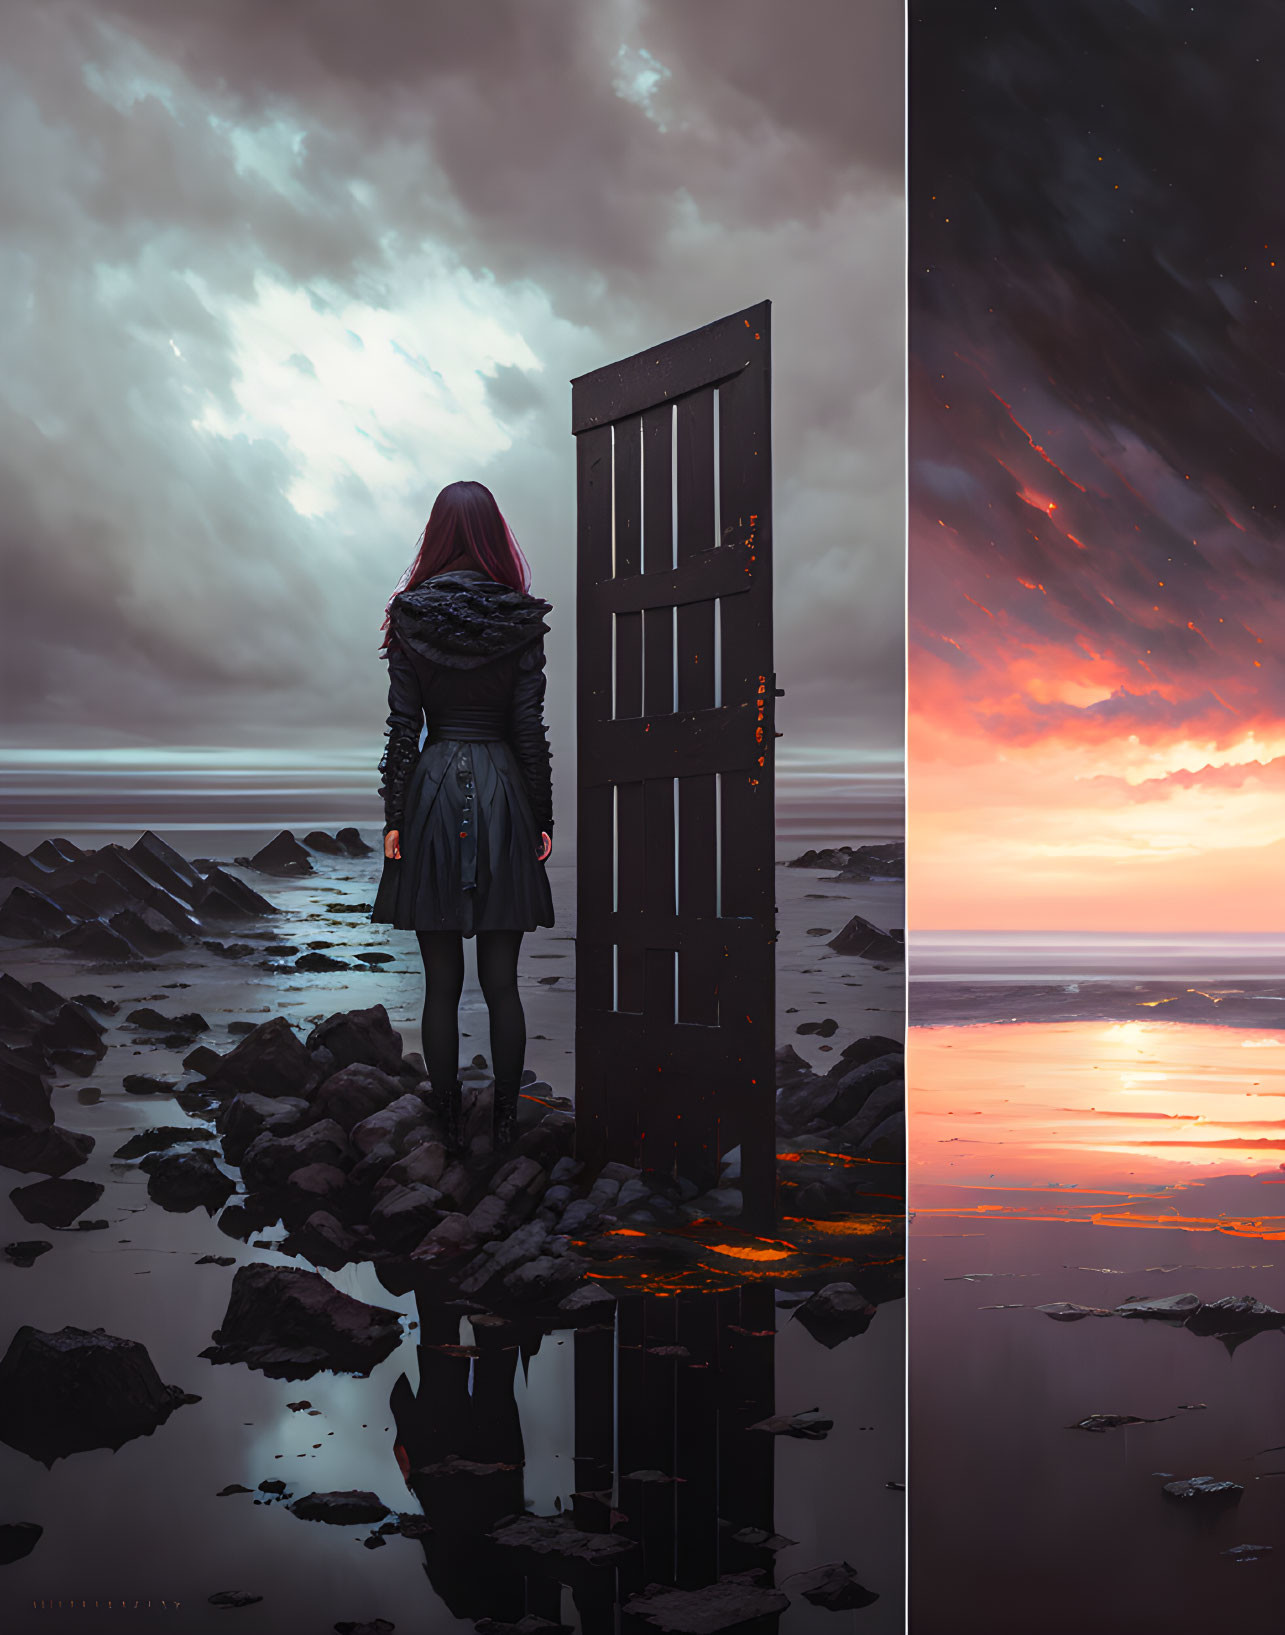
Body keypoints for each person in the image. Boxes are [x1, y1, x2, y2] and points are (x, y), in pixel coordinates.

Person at [370, 481, 555, 1155]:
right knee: (502, 980)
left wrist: (394, 813)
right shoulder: (520, 618)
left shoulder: (411, 614)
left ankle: (445, 1120)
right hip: (505, 791)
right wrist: (543, 817)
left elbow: (402, 728)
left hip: (432, 793)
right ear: (493, 534)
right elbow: (528, 728)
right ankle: (505, 1122)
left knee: (440, 982)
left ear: (437, 533)